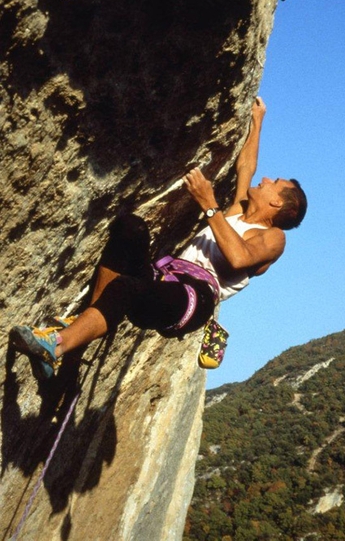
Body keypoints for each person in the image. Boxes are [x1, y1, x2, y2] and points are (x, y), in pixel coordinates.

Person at [10, 98, 307, 377]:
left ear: (278, 204)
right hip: (164, 276)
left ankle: (57, 346)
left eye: (274, 183)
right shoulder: (237, 212)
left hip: (193, 298)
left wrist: (208, 203)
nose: (266, 179)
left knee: (126, 287)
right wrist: (258, 121)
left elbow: (239, 256)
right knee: (130, 229)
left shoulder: (274, 238)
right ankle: (85, 326)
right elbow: (246, 166)